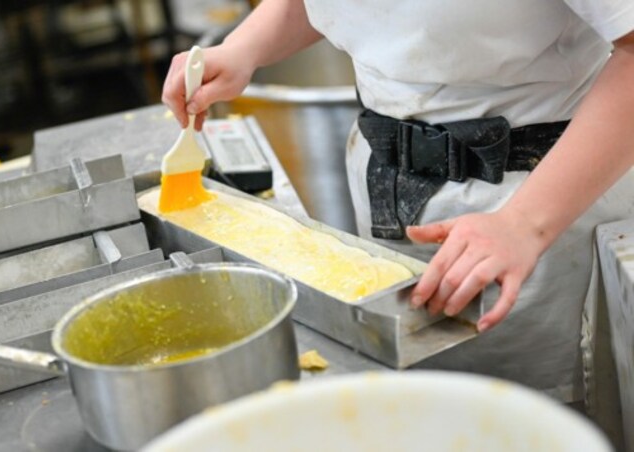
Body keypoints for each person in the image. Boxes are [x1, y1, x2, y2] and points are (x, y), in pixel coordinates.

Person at [161, 0, 634, 403]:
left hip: (542, 212)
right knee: (423, 408)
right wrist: (243, 49)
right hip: (386, 195)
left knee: (538, 417)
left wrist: (523, 224)